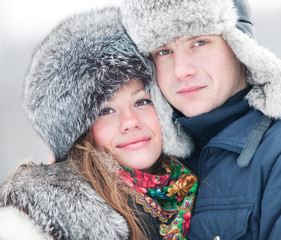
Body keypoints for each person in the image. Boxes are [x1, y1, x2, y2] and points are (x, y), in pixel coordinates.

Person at [119, 0, 281, 239]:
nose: (181, 70)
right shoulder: (160, 166)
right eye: (163, 51)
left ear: (240, 48)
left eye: (199, 42)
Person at [0, 7, 198, 240]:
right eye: (105, 110)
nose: (130, 122)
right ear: (80, 131)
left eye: (142, 101)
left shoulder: (198, 184)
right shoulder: (41, 215)